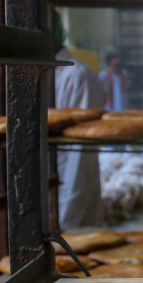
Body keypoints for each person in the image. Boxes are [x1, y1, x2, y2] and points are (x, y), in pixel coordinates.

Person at [51, 15, 104, 229]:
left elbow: (80, 153)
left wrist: (66, 215)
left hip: (69, 197)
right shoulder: (29, 71)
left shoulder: (77, 76)